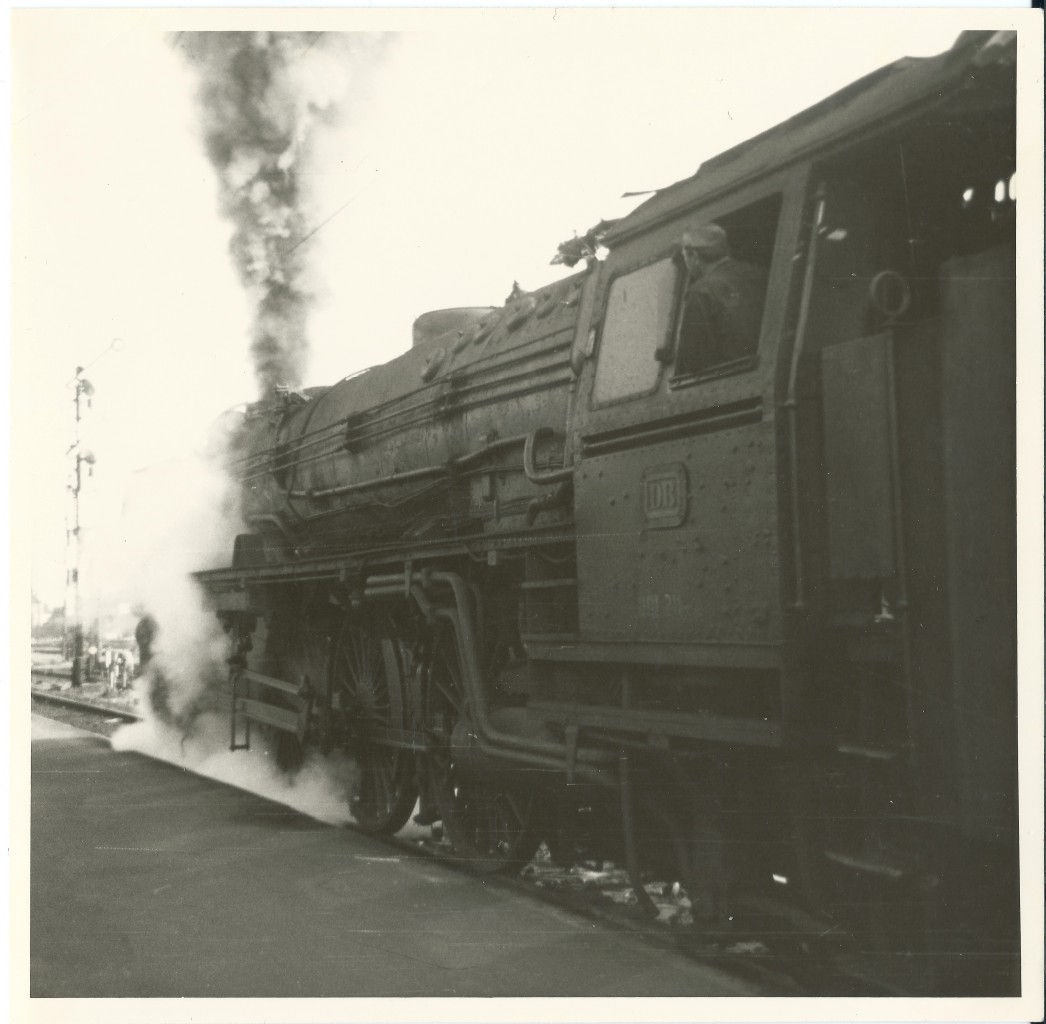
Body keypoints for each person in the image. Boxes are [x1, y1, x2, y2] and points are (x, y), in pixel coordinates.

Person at [677, 223, 769, 375]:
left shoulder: (700, 291)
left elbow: (694, 361)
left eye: (684, 256)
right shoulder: (763, 274)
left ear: (693, 255)